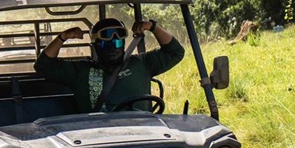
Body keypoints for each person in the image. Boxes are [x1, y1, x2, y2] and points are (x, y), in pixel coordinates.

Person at [34, 17, 184, 113]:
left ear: (124, 43)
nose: (114, 47)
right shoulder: (81, 70)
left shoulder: (141, 63)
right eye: (107, 44)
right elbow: (43, 66)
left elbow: (175, 52)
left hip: (142, 131)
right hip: (99, 137)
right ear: (95, 46)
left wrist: (152, 26)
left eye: (118, 42)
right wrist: (62, 37)